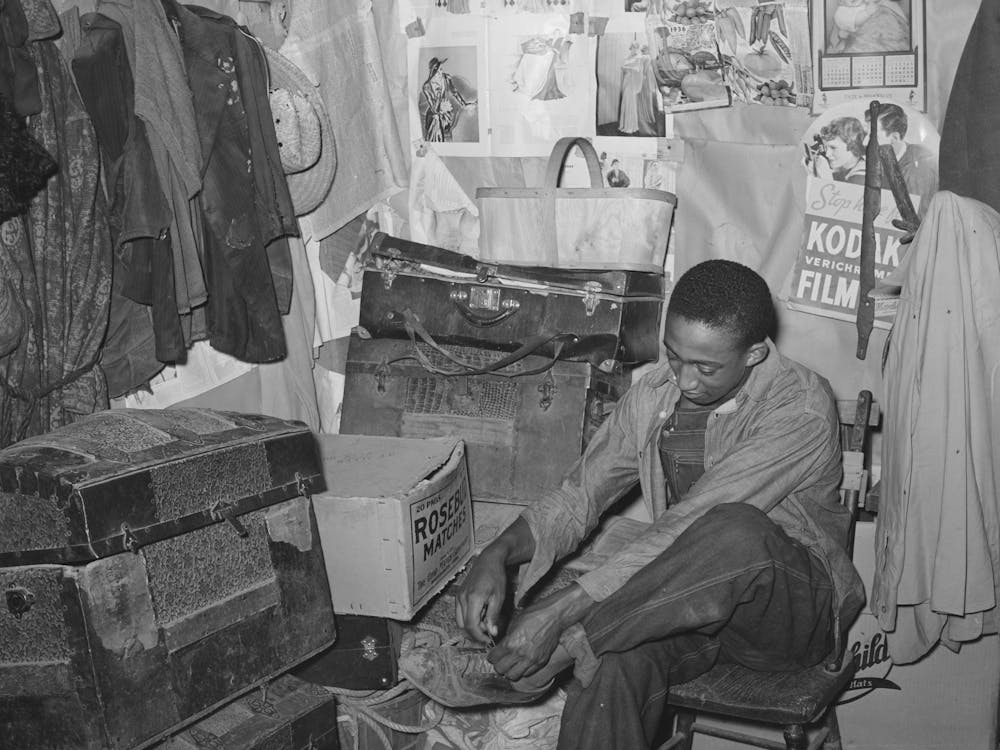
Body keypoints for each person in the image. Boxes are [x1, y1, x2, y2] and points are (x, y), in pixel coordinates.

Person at [401, 260, 865, 750]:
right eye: (675, 356)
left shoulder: (799, 405)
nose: (684, 380)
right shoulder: (657, 394)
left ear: (754, 354)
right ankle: (576, 648)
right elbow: (578, 495)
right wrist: (495, 553)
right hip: (680, 609)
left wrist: (564, 615)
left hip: (786, 617)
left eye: (706, 367)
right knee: (610, 664)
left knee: (734, 528)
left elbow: (693, 522)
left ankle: (562, 648)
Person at [865, 102, 938, 217]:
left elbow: (916, 224)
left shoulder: (918, 171)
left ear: (894, 137)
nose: (864, 142)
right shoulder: (880, 160)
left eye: (873, 137)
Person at [419, 56, 475, 142]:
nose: (442, 71)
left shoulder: (446, 78)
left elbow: (455, 93)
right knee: (436, 127)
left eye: (442, 69)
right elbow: (433, 107)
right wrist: (438, 97)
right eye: (439, 69)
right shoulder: (426, 86)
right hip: (434, 115)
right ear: (434, 70)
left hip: (445, 113)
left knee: (447, 134)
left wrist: (464, 104)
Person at [827, 0, 909, 53]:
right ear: (841, 1)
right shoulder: (841, 12)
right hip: (856, 37)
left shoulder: (861, 4)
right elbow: (855, 21)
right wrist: (867, 13)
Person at [812, 116, 867, 184]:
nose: (827, 154)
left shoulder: (861, 178)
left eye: (833, 148)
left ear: (852, 146)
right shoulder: (848, 169)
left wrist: (825, 178)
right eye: (826, 148)